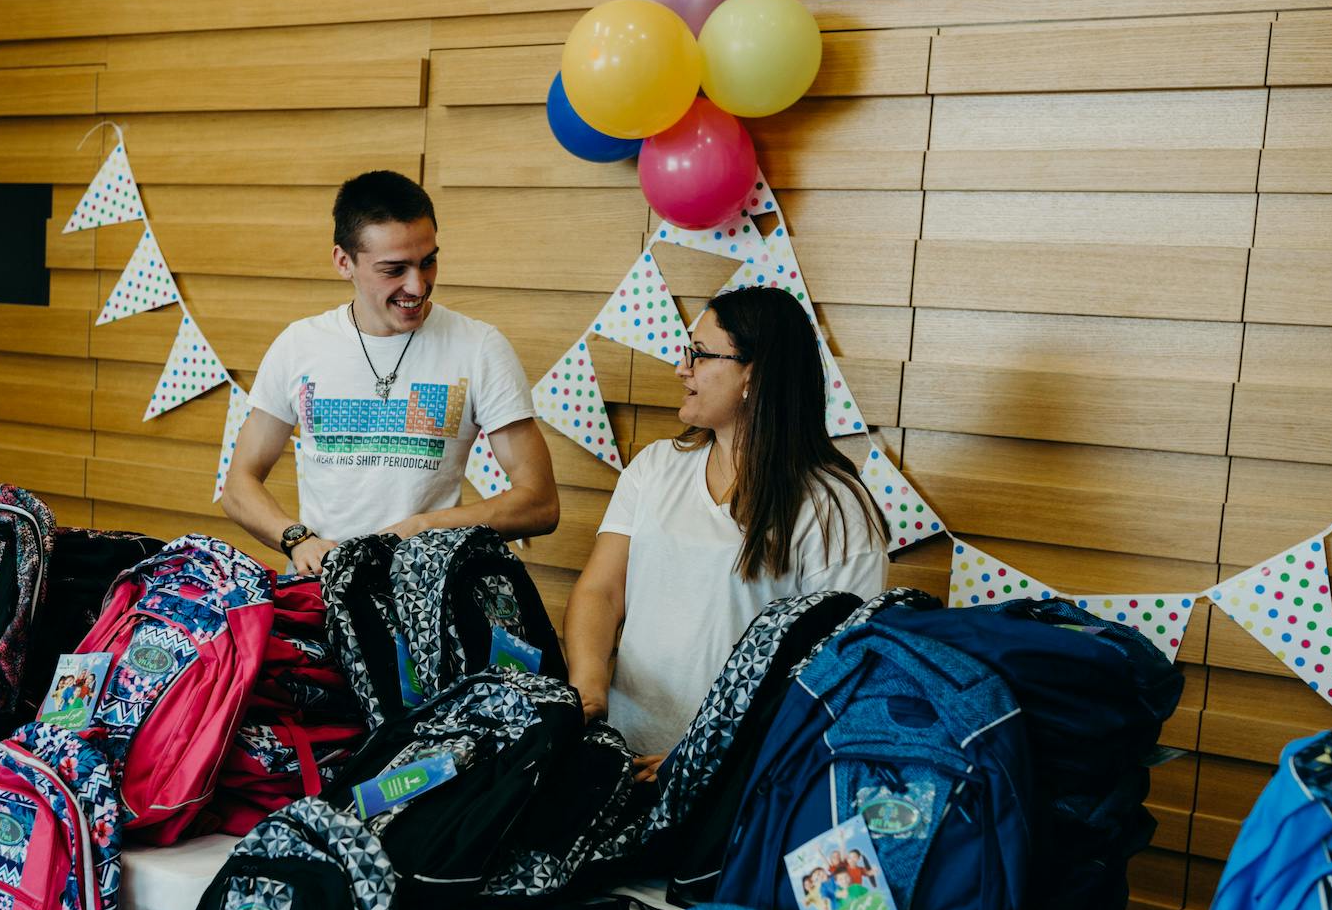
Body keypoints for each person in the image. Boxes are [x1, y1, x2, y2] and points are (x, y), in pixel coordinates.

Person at [565, 285, 887, 778]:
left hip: (739, 781)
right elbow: (602, 590)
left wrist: (713, 758)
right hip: (623, 757)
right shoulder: (655, 467)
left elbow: (837, 676)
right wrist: (589, 684)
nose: (681, 368)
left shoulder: (834, 508)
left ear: (751, 376)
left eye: (698, 354)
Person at [221, 170, 559, 572]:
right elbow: (239, 484)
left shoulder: (480, 347)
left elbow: (540, 502)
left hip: (433, 594)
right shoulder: (299, 345)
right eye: (394, 269)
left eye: (428, 262)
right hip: (325, 593)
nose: (417, 286)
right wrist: (297, 539)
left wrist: (423, 528)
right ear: (344, 262)